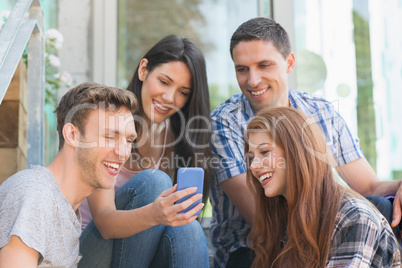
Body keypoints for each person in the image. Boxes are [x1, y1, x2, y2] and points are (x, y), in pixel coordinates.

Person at [209, 17, 402, 267]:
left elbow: (369, 187)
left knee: (383, 208)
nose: (252, 80)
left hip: (319, 231)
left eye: (264, 65)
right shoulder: (225, 123)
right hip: (254, 248)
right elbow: (264, 217)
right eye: (242, 69)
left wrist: (399, 185)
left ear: (289, 63)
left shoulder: (320, 111)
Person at [78, 35, 213, 267]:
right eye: (164, 82)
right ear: (143, 70)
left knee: (188, 227)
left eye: (183, 92)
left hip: (138, 253)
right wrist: (155, 213)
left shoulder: (175, 137)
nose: (170, 98)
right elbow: (104, 223)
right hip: (90, 250)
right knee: (154, 182)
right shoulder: (108, 119)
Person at [0, 82, 138, 267]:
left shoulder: (65, 209)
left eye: (129, 140)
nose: (123, 152)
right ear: (72, 135)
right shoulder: (35, 196)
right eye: (110, 137)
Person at [245, 107, 400, 267]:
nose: (254, 166)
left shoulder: (355, 217)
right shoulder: (282, 220)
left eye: (264, 151)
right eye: (251, 158)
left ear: (297, 151)